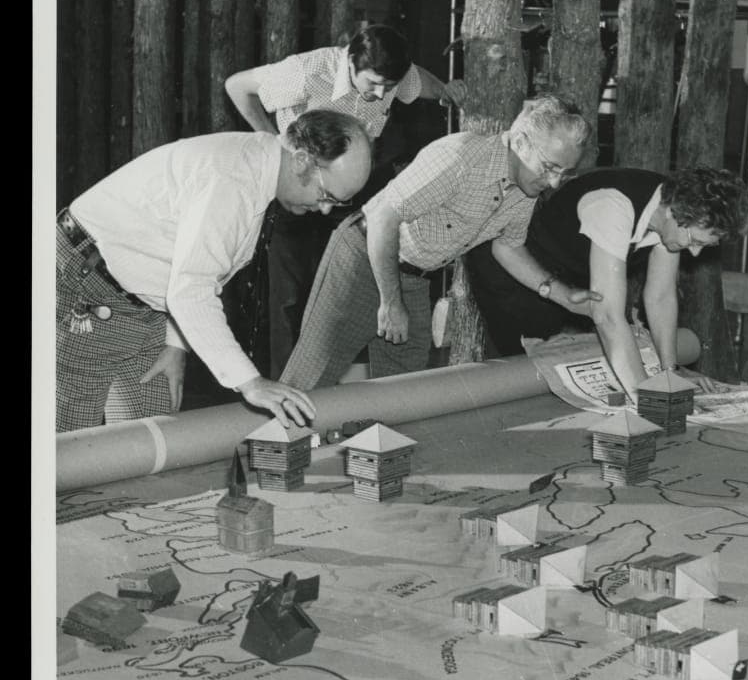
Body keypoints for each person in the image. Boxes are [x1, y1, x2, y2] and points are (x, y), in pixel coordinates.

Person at [55, 109, 372, 434]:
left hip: (142, 301)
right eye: (326, 196)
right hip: (87, 282)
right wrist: (251, 383)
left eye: (337, 203)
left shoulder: (261, 173)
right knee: (71, 448)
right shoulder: (234, 179)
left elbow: (197, 268)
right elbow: (192, 291)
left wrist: (176, 343)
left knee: (151, 439)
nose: (325, 209)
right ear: (302, 160)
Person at [280, 94, 596, 390]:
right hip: (363, 255)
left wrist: (565, 296)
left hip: (414, 276)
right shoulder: (461, 158)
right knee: (312, 377)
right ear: (521, 142)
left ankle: (380, 445)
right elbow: (383, 217)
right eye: (550, 167)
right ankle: (272, 446)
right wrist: (390, 301)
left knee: (406, 388)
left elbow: (508, 247)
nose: (553, 182)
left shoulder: (526, 190)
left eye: (564, 174)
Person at [225, 25, 468, 374]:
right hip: (300, 192)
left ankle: (346, 393)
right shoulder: (308, 71)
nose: (381, 92)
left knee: (347, 294)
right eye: (373, 83)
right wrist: (272, 143)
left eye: (388, 86)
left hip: (350, 195)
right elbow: (237, 86)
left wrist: (446, 91)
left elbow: (418, 84)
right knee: (290, 299)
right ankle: (286, 388)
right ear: (351, 61)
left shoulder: (391, 76)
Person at [466, 166, 748, 400]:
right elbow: (608, 317)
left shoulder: (673, 209)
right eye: (694, 240)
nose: (694, 252)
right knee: (514, 378)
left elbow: (661, 296)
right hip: (514, 275)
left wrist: (669, 373)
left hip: (570, 284)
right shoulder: (614, 206)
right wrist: (646, 396)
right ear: (673, 212)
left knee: (555, 372)